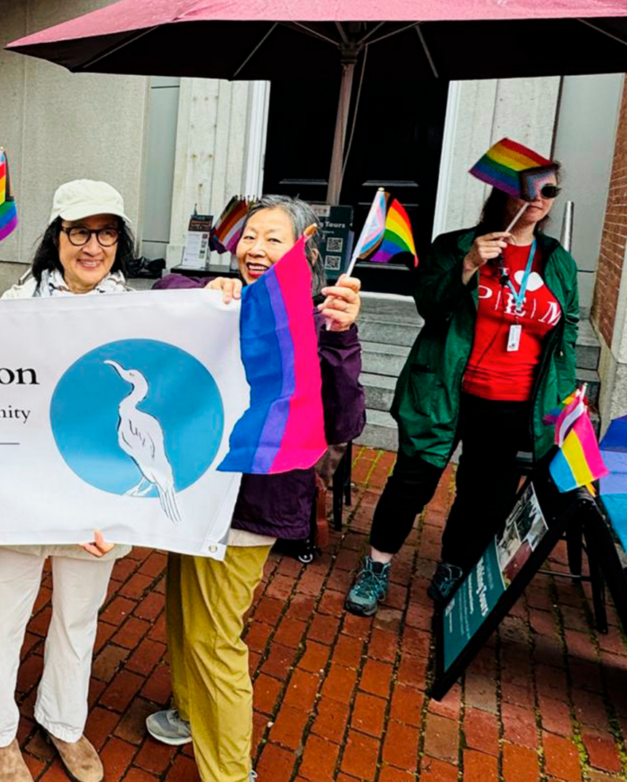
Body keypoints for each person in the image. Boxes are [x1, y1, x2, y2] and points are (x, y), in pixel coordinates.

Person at [145, 195, 365, 782]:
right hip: (196, 487)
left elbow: (344, 425)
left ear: (303, 247)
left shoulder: (316, 324)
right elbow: (164, 291)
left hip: (254, 502)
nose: (257, 249)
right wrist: (199, 295)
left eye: (273, 238)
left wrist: (342, 337)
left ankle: (229, 771)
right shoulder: (221, 300)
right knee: (184, 610)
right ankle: (190, 712)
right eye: (249, 237)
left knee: (216, 635)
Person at [0, 180, 134, 782]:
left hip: (94, 492)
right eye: (80, 231)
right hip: (23, 490)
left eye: (106, 232)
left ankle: (63, 719)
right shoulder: (17, 303)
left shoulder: (140, 312)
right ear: (56, 237)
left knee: (79, 615)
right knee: (1, 612)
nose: (93, 245)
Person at [344, 164, 577, 616]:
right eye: (526, 188)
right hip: (446, 390)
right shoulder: (455, 246)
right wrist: (470, 264)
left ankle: (452, 566)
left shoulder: (558, 261)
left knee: (485, 493)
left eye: (548, 189)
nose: (538, 197)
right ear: (502, 193)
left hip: (515, 401)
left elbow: (564, 335)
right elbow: (429, 305)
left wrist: (562, 401)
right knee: (412, 481)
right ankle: (377, 566)